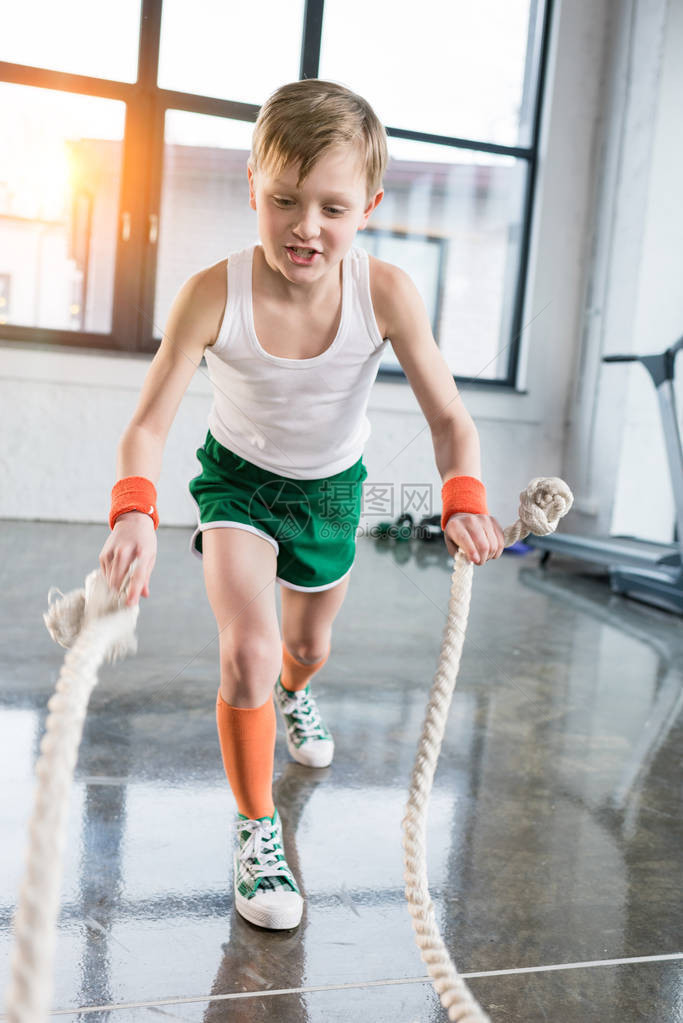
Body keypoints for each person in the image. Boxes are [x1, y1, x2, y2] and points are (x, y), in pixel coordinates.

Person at [99, 78, 505, 932]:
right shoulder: (214, 293)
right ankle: (256, 828)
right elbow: (147, 423)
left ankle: (296, 687)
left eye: (331, 205)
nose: (305, 226)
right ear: (253, 188)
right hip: (238, 485)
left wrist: (461, 495)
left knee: (303, 646)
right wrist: (136, 507)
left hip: (332, 493)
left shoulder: (386, 293)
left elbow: (449, 418)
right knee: (242, 651)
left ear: (369, 206)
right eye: (283, 199)